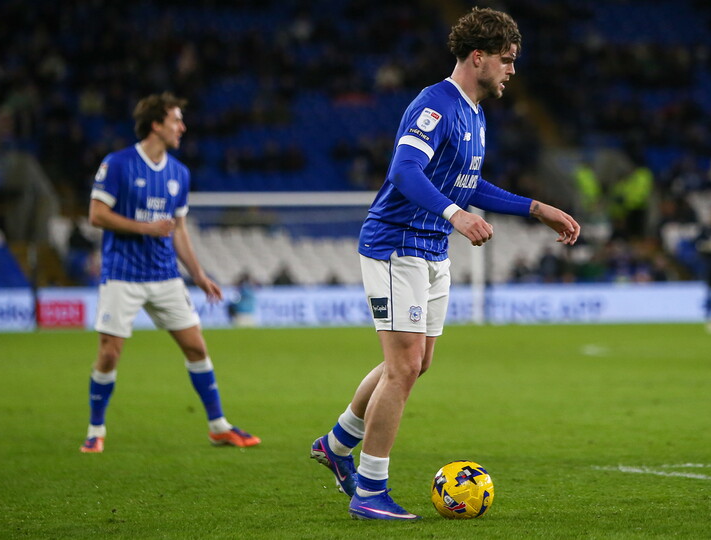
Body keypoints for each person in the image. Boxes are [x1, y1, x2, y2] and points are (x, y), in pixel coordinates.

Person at [309, 7, 580, 520]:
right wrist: (456, 215)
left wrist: (536, 208)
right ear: (478, 57)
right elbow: (405, 170)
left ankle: (336, 443)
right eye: (506, 60)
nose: (512, 71)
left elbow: (467, 183)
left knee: (416, 363)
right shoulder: (434, 105)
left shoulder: (474, 113)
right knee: (404, 365)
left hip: (432, 248)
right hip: (397, 245)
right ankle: (369, 490)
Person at [80, 92, 260, 453]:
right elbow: (97, 215)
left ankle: (218, 426)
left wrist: (198, 273)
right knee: (110, 353)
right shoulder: (117, 164)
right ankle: (95, 429)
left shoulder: (179, 173)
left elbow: (179, 229)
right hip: (122, 275)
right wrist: (145, 228)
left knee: (196, 347)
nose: (183, 127)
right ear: (156, 124)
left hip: (164, 276)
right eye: (176, 120)